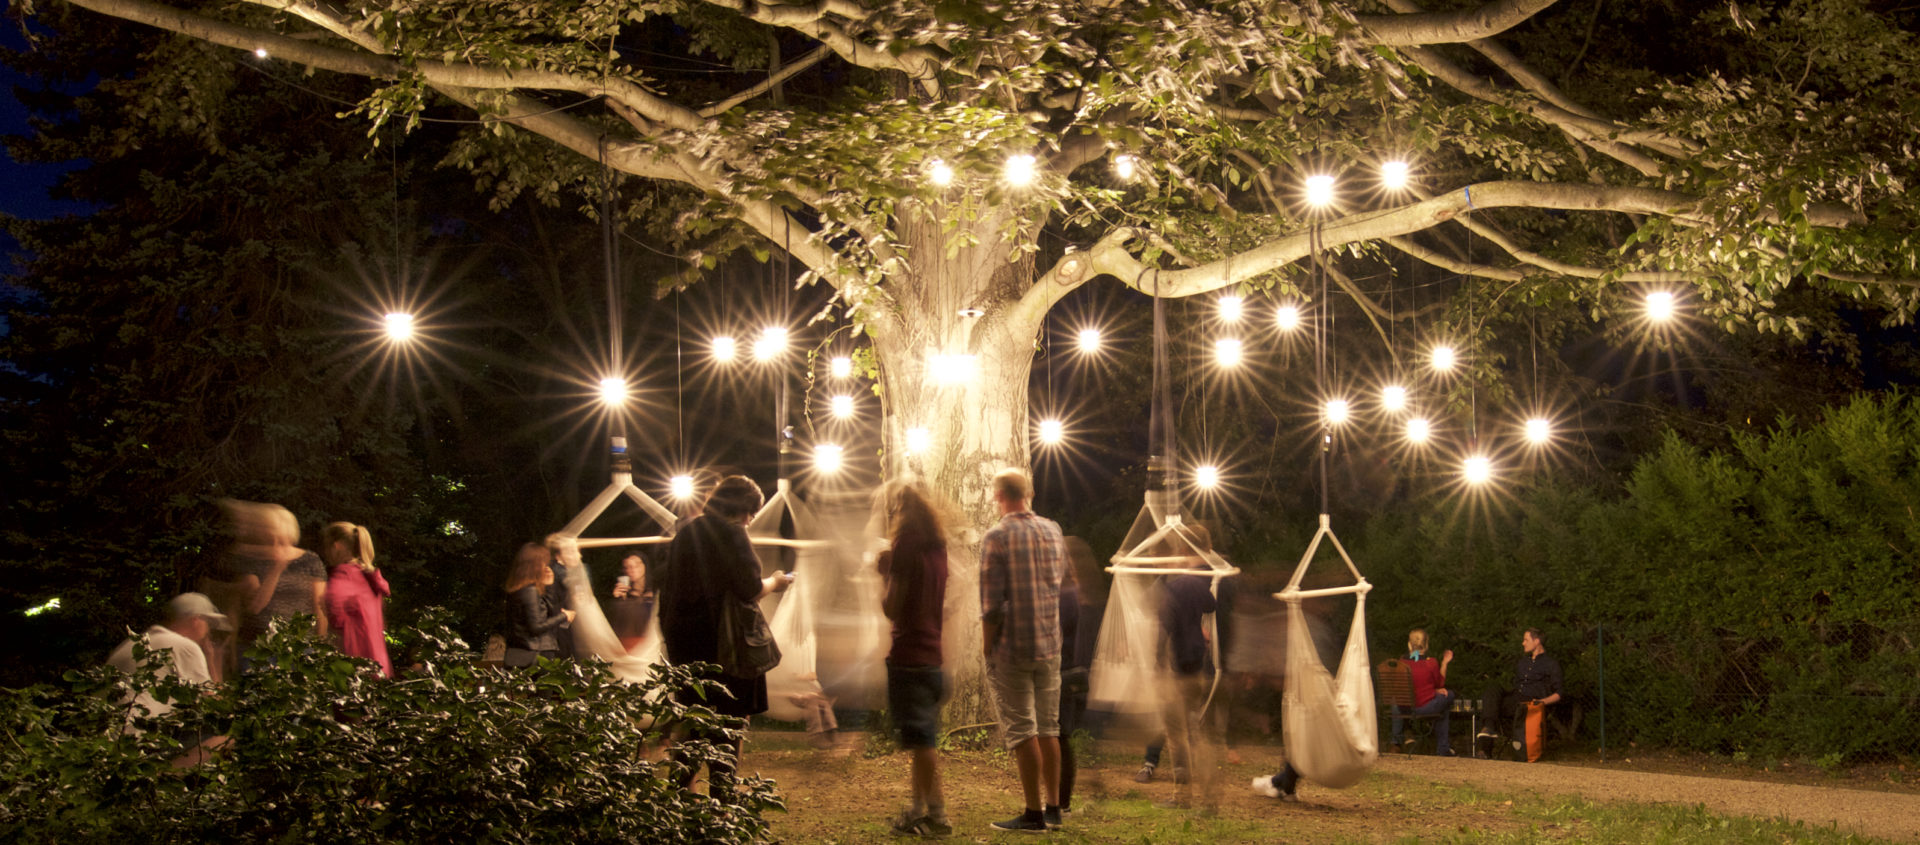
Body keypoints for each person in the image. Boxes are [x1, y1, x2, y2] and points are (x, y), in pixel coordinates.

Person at [657, 475, 794, 798]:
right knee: (730, 721)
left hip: (683, 642)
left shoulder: (687, 532)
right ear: (740, 507)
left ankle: (681, 791)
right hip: (726, 644)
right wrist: (776, 582)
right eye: (750, 512)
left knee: (691, 719)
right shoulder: (732, 534)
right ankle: (723, 791)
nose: (749, 520)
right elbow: (749, 588)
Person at [979, 468, 1067, 833]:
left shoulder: (997, 537)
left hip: (1013, 646)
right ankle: (1054, 808)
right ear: (1028, 492)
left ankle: (1032, 814)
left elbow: (991, 604)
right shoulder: (1053, 530)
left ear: (998, 495)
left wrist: (987, 647)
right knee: (1049, 727)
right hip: (1049, 643)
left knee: (1022, 730)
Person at [878, 481, 952, 839]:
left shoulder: (905, 544)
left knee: (923, 743)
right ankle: (920, 810)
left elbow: (893, 606)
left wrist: (883, 574)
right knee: (924, 741)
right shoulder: (939, 549)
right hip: (934, 658)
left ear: (898, 510)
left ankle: (935, 816)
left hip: (909, 656)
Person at [105, 592, 230, 765]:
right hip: (136, 741)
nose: (209, 631)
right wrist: (214, 661)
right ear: (196, 620)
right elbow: (217, 708)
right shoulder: (184, 646)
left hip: (106, 738)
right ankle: (159, 780)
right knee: (228, 737)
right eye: (209, 623)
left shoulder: (137, 642)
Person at [234, 504, 328, 664]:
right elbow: (254, 607)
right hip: (259, 647)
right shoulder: (251, 559)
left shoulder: (309, 560)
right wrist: (276, 569)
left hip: (300, 646)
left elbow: (320, 606)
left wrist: (320, 644)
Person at [1477, 628, 1563, 761]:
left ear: (1537, 641)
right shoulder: (1523, 662)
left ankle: (1485, 748)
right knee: (1492, 690)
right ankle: (1488, 729)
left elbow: (1558, 694)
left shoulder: (1551, 664)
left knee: (1495, 706)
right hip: (1516, 699)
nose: (1523, 643)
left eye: (1526, 640)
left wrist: (1542, 702)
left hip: (1530, 704)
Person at [321, 521, 393, 678]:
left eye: (327, 546)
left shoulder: (344, 574)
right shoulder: (368, 576)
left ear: (337, 545)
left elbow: (333, 607)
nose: (325, 552)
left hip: (353, 666)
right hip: (378, 664)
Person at [503, 543, 575, 661]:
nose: (546, 567)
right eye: (544, 562)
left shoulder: (518, 589)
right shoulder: (529, 591)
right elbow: (536, 627)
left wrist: (549, 586)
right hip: (535, 655)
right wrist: (564, 616)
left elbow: (548, 613)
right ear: (536, 565)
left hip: (522, 654)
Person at [1390, 629, 1455, 756]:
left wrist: (1434, 690)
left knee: (1396, 699)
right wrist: (1444, 663)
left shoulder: (1401, 663)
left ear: (1409, 644)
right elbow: (1440, 684)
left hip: (1404, 708)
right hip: (1424, 708)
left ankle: (1397, 742)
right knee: (1449, 696)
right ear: (1426, 645)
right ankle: (1443, 748)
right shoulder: (1431, 663)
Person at [607, 553, 656, 653]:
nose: (632, 569)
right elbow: (614, 622)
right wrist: (618, 599)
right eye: (628, 567)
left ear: (645, 566)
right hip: (628, 642)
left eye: (637, 565)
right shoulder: (624, 593)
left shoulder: (655, 589)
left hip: (652, 642)